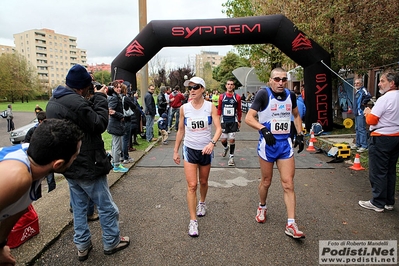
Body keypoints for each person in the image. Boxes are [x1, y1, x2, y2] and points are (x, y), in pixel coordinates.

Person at [46, 64, 130, 261]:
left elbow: (81, 121)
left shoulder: (54, 102)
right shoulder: (77, 103)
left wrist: (91, 99)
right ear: (82, 87)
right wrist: (100, 97)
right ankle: (111, 241)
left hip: (69, 164)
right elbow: (99, 123)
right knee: (106, 206)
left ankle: (82, 245)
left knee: (79, 208)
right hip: (88, 163)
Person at [0, 119, 83, 266]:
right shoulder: (17, 176)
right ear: (58, 164)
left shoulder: (36, 161)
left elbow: (16, 212)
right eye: (75, 157)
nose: (76, 159)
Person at [245, 67, 305, 239]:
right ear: (270, 81)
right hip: (267, 145)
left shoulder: (291, 95)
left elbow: (296, 115)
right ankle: (262, 206)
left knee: (288, 184)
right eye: (277, 79)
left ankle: (291, 223)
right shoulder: (263, 95)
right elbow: (249, 118)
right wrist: (264, 129)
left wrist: (300, 134)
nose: (281, 82)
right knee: (266, 181)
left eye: (284, 79)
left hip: (284, 145)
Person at [173, 77, 222, 237]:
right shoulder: (184, 108)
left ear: (203, 89)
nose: (192, 90)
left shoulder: (210, 107)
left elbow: (219, 128)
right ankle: (193, 221)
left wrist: (212, 143)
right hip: (190, 149)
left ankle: (202, 203)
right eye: (190, 88)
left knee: (203, 182)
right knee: (192, 185)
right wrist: (175, 150)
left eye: (195, 87)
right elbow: (180, 130)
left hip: (206, 150)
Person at [358, 70, 399, 212]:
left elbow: (372, 120)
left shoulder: (385, 99)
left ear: (392, 83)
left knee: (378, 171)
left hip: (381, 138)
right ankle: (389, 201)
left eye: (382, 81)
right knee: (390, 170)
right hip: (396, 137)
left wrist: (367, 112)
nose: (379, 84)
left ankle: (378, 202)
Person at [23, 111, 56, 193]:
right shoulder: (32, 131)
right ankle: (37, 196)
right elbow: (26, 142)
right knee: (36, 181)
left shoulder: (50, 129)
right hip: (36, 159)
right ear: (40, 121)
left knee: (50, 178)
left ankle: (51, 193)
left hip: (48, 158)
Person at [218, 79, 242, 166]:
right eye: (228, 84)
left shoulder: (237, 97)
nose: (230, 86)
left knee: (232, 139)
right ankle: (226, 147)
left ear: (234, 86)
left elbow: (239, 110)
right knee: (223, 139)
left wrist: (239, 120)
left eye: (232, 84)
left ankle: (231, 157)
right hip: (224, 120)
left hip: (233, 121)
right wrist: (217, 119)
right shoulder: (222, 96)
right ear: (226, 86)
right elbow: (219, 108)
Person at [107, 81, 129, 173]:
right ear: (113, 88)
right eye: (117, 87)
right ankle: (116, 164)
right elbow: (110, 111)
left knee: (115, 145)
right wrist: (121, 116)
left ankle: (114, 162)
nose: (119, 88)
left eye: (120, 87)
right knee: (117, 146)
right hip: (115, 124)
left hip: (115, 124)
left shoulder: (116, 97)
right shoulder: (114, 98)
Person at [353, 78, 371, 153]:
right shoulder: (357, 91)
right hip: (356, 113)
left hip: (361, 112)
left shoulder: (363, 90)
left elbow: (368, 95)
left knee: (361, 129)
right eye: (355, 83)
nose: (356, 84)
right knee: (357, 129)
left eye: (358, 83)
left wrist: (363, 102)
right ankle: (358, 144)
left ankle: (364, 145)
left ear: (361, 84)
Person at [120, 83, 136, 164]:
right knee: (126, 139)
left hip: (121, 119)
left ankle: (122, 155)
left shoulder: (118, 98)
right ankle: (126, 156)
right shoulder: (125, 98)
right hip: (127, 119)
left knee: (122, 139)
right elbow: (133, 106)